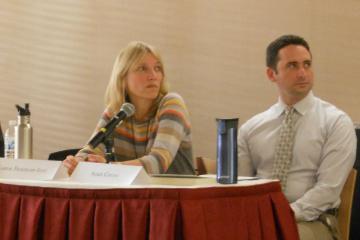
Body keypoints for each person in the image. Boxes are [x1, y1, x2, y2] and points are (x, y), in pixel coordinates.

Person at [237, 35, 356, 240]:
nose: (302, 73)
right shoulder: (251, 129)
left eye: (307, 64)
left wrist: (281, 215)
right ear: (271, 74)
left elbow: (327, 190)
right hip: (260, 220)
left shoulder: (335, 122)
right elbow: (241, 188)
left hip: (314, 223)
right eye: (292, 65)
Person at [64, 41, 195, 175]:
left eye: (157, 68)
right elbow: (90, 149)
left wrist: (107, 168)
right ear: (122, 77)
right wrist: (78, 162)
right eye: (142, 68)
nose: (153, 76)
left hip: (177, 193)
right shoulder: (117, 111)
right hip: (140, 194)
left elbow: (158, 163)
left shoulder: (172, 103)